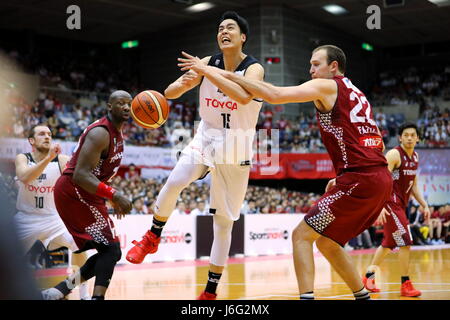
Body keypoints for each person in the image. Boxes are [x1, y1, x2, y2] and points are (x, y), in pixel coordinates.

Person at [223, 45, 392, 300]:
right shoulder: (356, 92)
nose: (311, 70)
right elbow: (371, 139)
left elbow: (275, 94)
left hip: (361, 179)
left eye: (316, 64)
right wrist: (349, 175)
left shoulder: (328, 85)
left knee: (301, 236)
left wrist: (228, 74)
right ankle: (362, 295)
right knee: (327, 243)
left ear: (333, 67)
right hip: (374, 177)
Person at [126, 11, 264, 300]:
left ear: (242, 37)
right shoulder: (206, 64)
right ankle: (152, 236)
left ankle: (211, 290)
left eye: (230, 28)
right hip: (207, 135)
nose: (223, 31)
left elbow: (242, 96)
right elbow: (170, 92)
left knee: (223, 224)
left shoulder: (254, 70)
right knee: (175, 179)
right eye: (220, 28)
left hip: (237, 146)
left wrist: (205, 71)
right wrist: (185, 81)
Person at [41, 90, 133, 300]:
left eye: (129, 104)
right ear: (109, 106)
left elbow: (99, 173)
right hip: (75, 191)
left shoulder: (118, 134)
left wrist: (109, 196)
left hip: (87, 194)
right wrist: (114, 195)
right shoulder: (100, 132)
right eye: (121, 103)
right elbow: (81, 175)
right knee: (111, 251)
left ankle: (58, 292)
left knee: (108, 251)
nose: (126, 107)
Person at [14, 124, 90, 300]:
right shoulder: (23, 158)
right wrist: (48, 158)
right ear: (31, 141)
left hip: (54, 218)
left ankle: (84, 295)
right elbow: (25, 177)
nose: (47, 137)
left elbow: (76, 181)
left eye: (49, 134)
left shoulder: (61, 160)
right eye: (41, 134)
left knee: (81, 247)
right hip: (26, 218)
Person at [362, 123, 430, 297]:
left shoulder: (415, 156)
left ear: (417, 138)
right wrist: (379, 206)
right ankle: (405, 284)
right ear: (400, 137)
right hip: (390, 203)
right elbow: (380, 179)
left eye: (412, 135)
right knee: (405, 241)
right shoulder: (394, 154)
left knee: (388, 244)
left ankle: (368, 279)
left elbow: (413, 185)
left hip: (401, 205)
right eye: (405, 135)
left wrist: (424, 204)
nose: (409, 137)